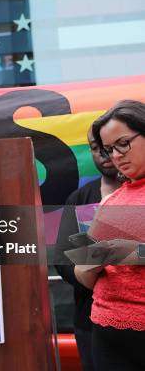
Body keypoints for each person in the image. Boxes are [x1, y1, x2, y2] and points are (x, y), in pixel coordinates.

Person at [75, 100, 145, 370]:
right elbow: (82, 273)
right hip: (106, 331)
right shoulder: (112, 201)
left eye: (123, 143)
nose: (115, 155)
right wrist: (91, 264)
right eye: (108, 149)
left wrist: (126, 251)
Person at [54, 127, 121, 371]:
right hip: (90, 319)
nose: (103, 153)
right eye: (95, 148)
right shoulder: (79, 198)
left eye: (110, 145)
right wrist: (90, 274)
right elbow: (62, 258)